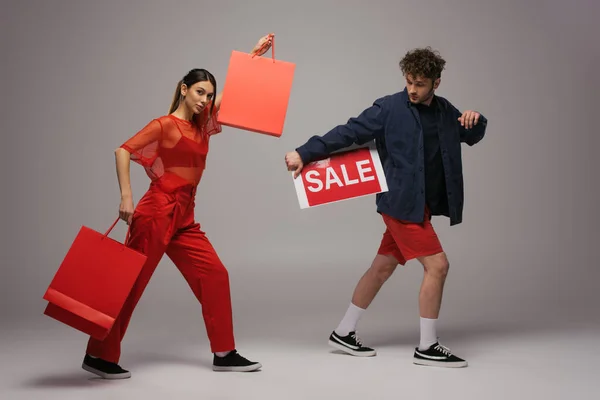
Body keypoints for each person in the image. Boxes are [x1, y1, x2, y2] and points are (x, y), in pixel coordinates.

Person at [82, 34, 274, 379]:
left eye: (210, 94)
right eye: (200, 91)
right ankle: (98, 355)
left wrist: (253, 57)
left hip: (184, 216)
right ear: (183, 89)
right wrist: (127, 196)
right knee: (129, 283)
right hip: (156, 212)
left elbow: (234, 101)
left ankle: (224, 352)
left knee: (215, 275)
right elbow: (122, 150)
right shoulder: (165, 125)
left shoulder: (203, 126)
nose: (206, 99)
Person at [284, 47, 488, 368]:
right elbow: (347, 132)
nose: (413, 89)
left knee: (382, 268)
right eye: (409, 82)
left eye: (420, 84)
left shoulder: (444, 110)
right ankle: (427, 346)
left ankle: (343, 332)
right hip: (399, 204)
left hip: (419, 205)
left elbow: (469, 133)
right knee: (438, 266)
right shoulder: (389, 109)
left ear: (436, 82)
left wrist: (475, 122)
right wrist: (304, 152)